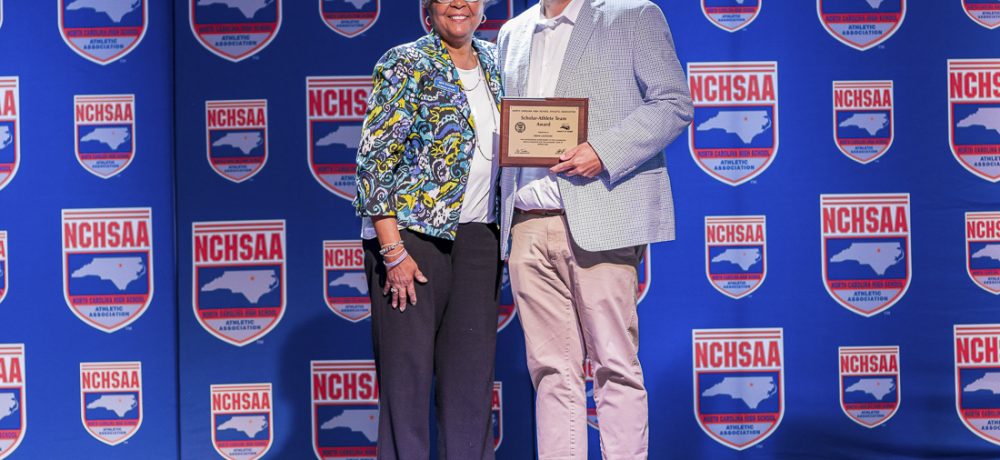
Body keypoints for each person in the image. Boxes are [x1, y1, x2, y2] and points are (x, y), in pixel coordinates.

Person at [496, 0, 693, 458]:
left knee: (614, 364)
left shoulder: (632, 15)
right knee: (550, 372)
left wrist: (604, 151)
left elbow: (674, 103)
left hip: (602, 216)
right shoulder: (512, 32)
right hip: (527, 222)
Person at [353, 0, 503, 458]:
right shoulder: (406, 62)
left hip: (479, 239)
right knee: (406, 387)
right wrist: (392, 251)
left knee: (471, 388)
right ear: (428, 8)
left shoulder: (499, 62)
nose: (459, 4)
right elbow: (374, 162)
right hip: (411, 241)